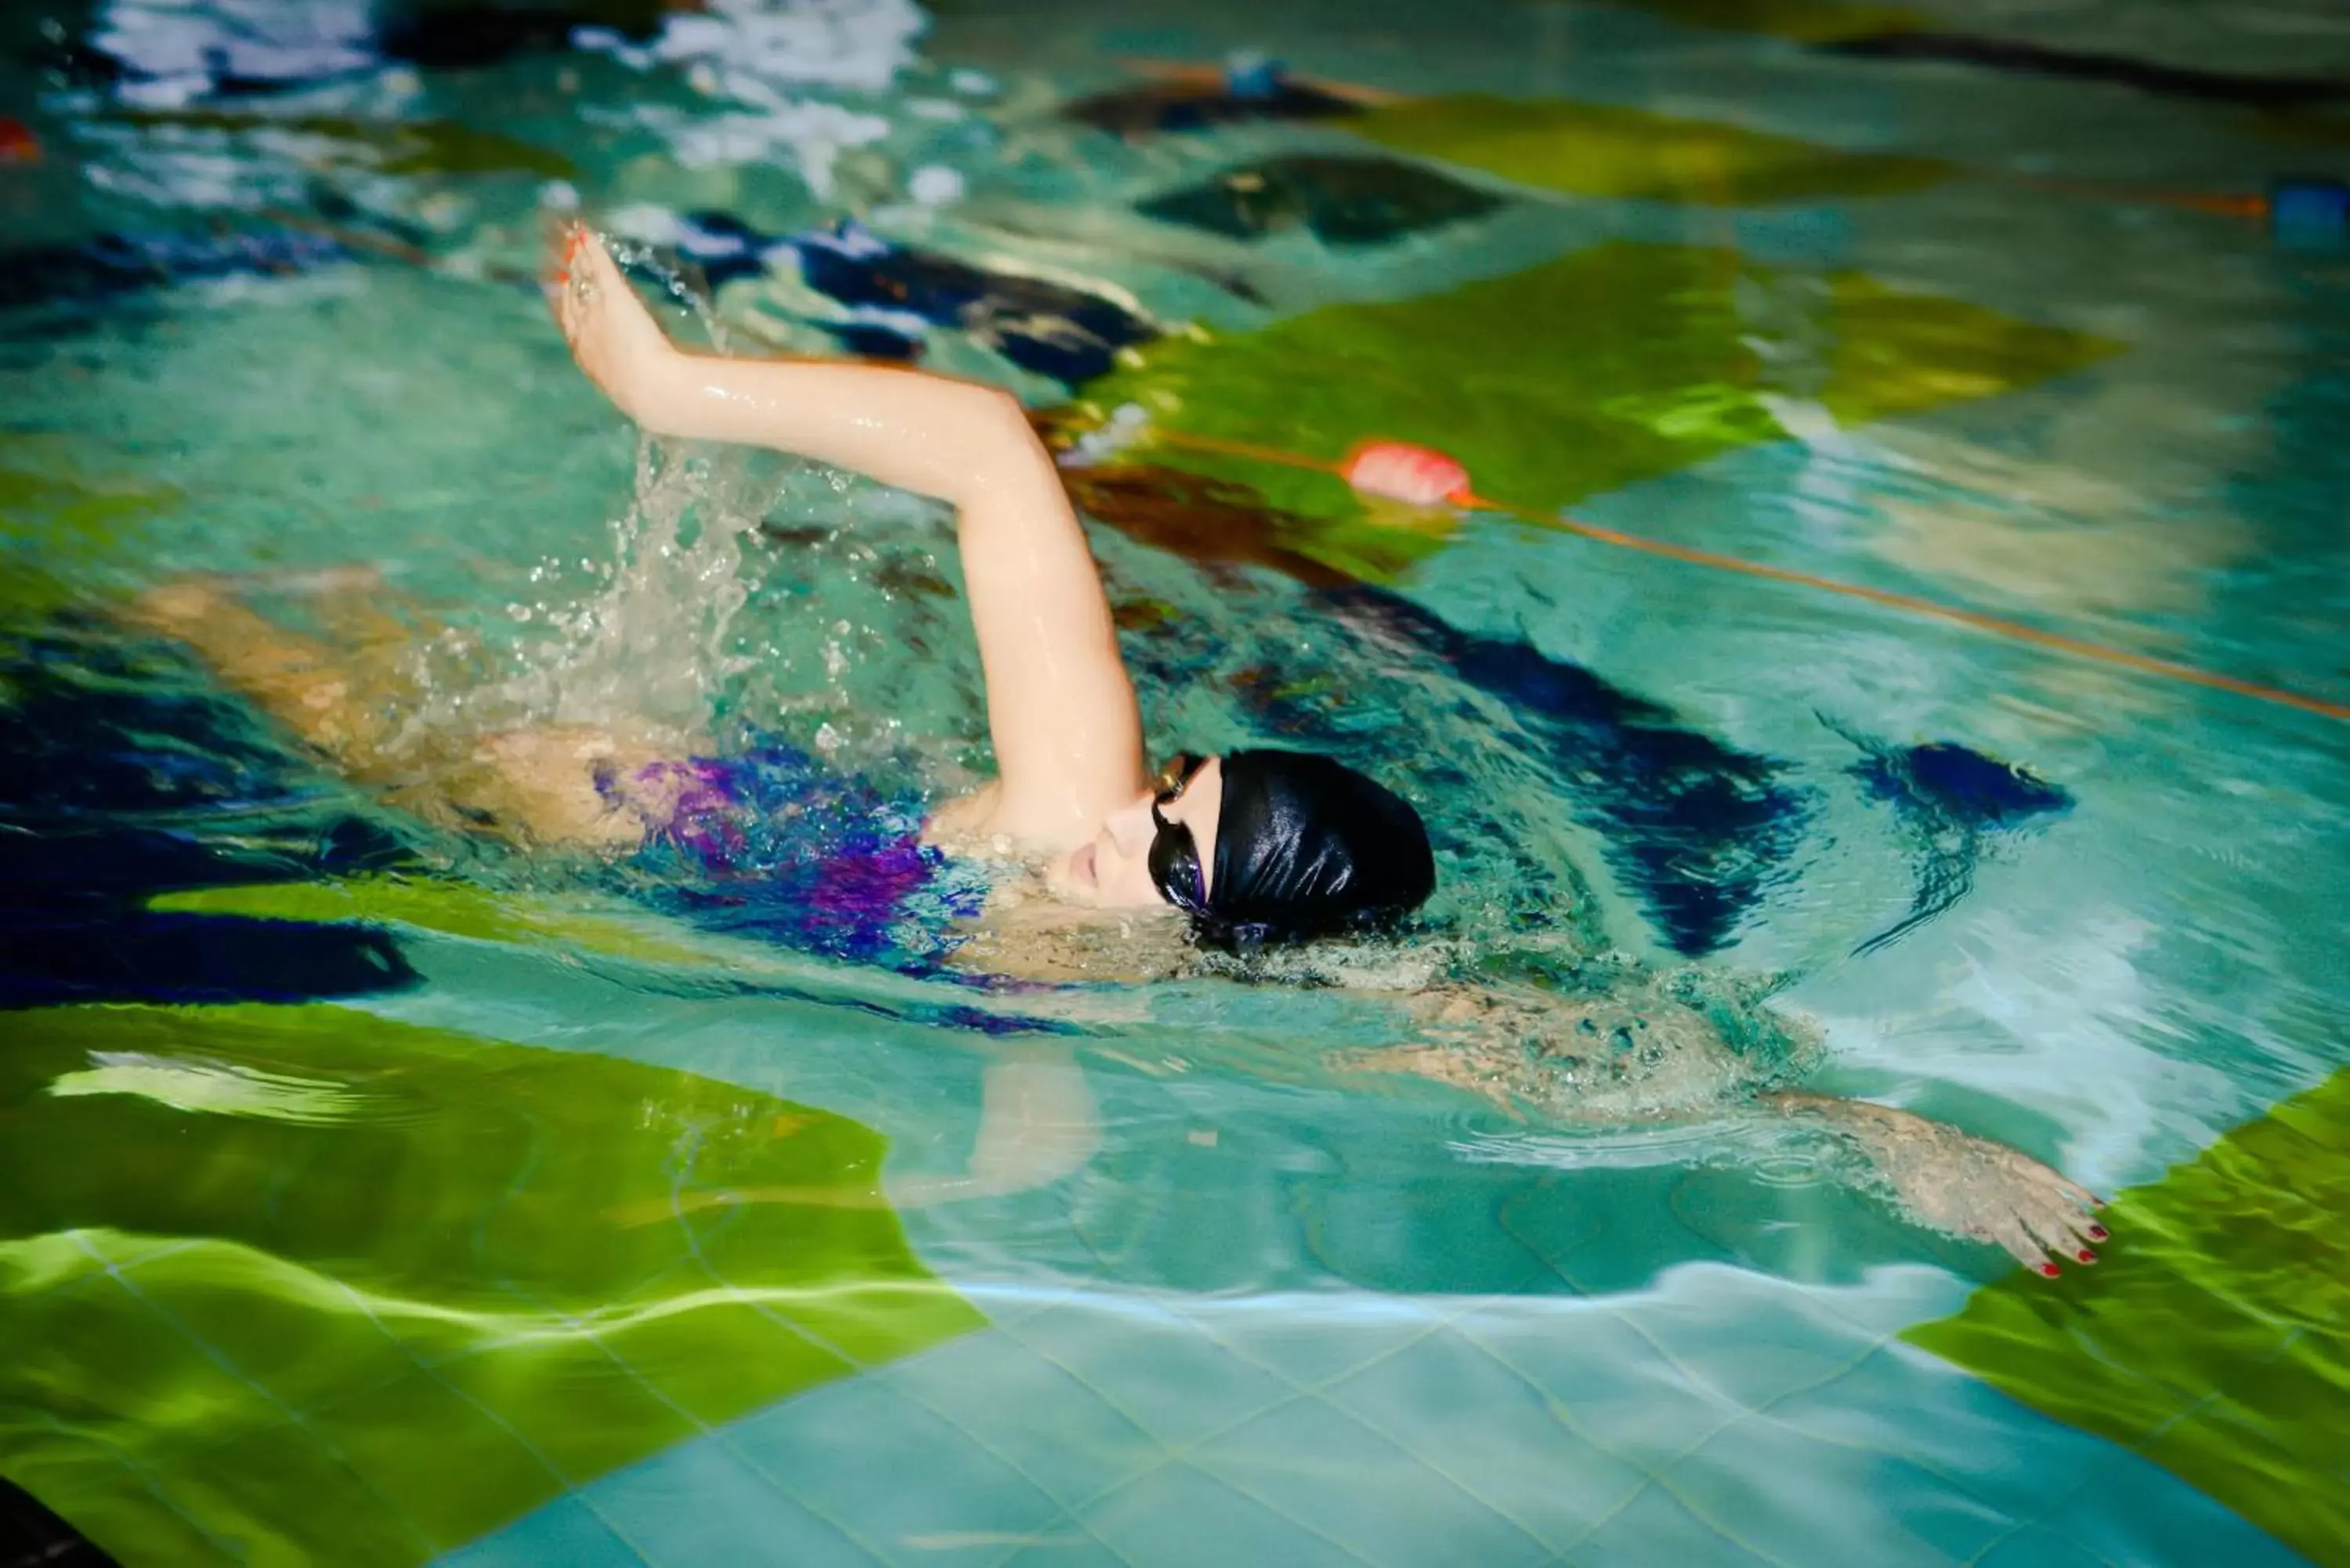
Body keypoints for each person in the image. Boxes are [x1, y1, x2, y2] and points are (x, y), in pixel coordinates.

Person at [127, 219, 2105, 1275]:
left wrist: (1880, 1136)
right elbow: (995, 454)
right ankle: (183, 595)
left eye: (1176, 850)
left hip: (654, 829)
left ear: (1231, 938)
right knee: (266, 664)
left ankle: (230, 596)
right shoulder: (1074, 815)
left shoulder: (1190, 987)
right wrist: (671, 387)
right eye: (1173, 788)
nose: (1125, 824)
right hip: (619, 794)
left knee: (295, 652)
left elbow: (1539, 1045)